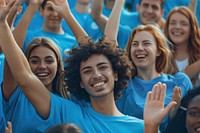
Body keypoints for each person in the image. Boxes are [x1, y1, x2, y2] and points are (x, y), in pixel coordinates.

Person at [0, 0, 160, 132]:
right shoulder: (69, 112)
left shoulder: (142, 127)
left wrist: (152, 128)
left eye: (103, 67)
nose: (96, 74)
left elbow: (98, 51)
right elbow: (25, 77)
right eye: (87, 71)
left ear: (116, 73)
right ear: (81, 82)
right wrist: (2, 26)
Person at [115, 24, 192, 132]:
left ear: (158, 51)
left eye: (146, 43)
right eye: (135, 44)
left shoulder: (180, 82)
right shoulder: (124, 85)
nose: (139, 48)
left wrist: (174, 114)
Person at [164, 6, 200, 87]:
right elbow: (177, 81)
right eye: (173, 23)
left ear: (192, 29)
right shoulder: (160, 55)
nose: (177, 27)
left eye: (183, 24)